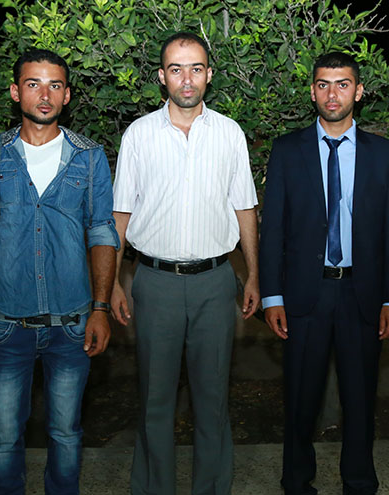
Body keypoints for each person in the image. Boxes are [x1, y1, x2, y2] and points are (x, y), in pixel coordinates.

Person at [0, 48, 119, 494]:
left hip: (73, 323)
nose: (44, 95)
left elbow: (102, 231)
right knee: (5, 436)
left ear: (67, 95)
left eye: (54, 85)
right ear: (16, 92)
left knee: (66, 434)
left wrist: (101, 308)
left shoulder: (89, 157)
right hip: (6, 323)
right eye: (33, 84)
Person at [111, 32, 259, 495]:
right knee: (154, 401)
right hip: (154, 283)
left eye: (196, 68)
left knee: (212, 402)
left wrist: (253, 275)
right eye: (176, 69)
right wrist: (111, 283)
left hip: (215, 282)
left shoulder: (229, 133)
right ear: (162, 76)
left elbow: (245, 208)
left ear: (209, 74)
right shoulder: (139, 135)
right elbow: (120, 214)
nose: (187, 78)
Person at [259, 52, 389, 495]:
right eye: (323, 84)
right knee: (300, 400)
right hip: (305, 296)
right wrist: (272, 296)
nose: (332, 93)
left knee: (360, 399)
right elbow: (273, 229)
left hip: (362, 295)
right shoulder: (288, 150)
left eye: (343, 84)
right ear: (312, 91)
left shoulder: (384, 154)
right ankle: (296, 482)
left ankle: (359, 482)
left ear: (358, 92)